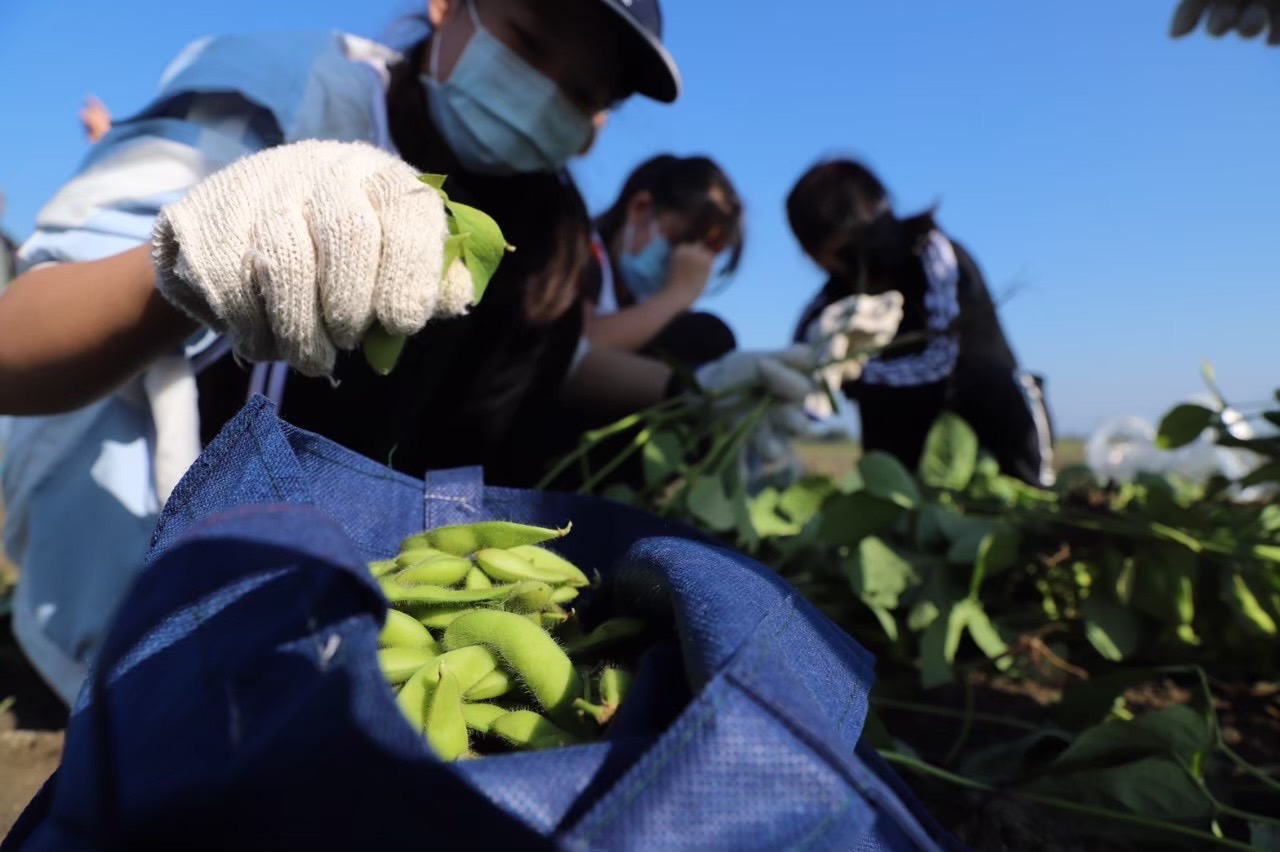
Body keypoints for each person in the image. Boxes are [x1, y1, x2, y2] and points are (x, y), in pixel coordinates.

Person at [0, 0, 816, 704]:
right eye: (529, 43)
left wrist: (705, 388)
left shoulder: (545, 223)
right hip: (137, 579)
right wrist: (184, 270)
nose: (541, 100)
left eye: (581, 94)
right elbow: (15, 341)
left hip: (351, 591)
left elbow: (558, 368)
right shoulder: (285, 95)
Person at [787, 158, 1055, 486]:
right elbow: (801, 360)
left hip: (1000, 444)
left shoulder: (938, 261)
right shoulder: (834, 300)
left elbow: (939, 361)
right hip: (905, 475)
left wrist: (853, 371)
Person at [585, 154, 743, 371]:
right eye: (678, 242)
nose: (682, 265)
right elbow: (574, 350)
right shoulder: (578, 252)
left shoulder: (639, 299)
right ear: (640, 209)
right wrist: (677, 294)